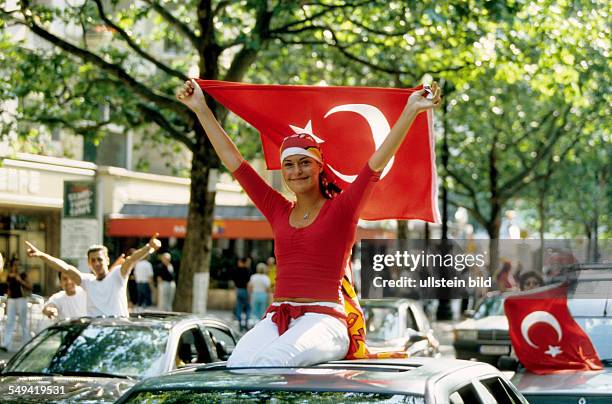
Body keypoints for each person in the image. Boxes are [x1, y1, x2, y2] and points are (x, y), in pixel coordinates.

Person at [176, 78, 441, 367]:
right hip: (277, 318)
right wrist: (200, 107)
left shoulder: (342, 208)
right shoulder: (277, 209)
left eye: (305, 162)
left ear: (319, 167)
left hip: (326, 321)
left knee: (272, 361)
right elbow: (234, 161)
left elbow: (376, 162)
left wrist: (411, 110)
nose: (296, 171)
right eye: (288, 164)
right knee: (237, 365)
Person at [25, 234, 161, 317]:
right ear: (89, 263)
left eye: (100, 259)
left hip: (117, 330)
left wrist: (149, 247)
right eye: (93, 260)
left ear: (107, 260)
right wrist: (41, 255)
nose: (96, 263)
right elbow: (64, 267)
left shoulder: (117, 274)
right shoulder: (87, 281)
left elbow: (131, 260)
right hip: (94, 332)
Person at [0, 258, 32, 352]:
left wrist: (20, 280)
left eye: (18, 265)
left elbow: (30, 287)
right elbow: (9, 288)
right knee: (9, 322)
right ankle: (6, 344)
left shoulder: (23, 275)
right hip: (12, 300)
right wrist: (7, 300)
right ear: (12, 266)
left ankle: (26, 344)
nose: (16, 267)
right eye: (15, 265)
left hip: (21, 299)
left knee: (23, 322)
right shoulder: (9, 276)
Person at [230, 257, 252, 331]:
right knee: (248, 308)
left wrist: (236, 288)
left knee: (239, 307)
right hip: (245, 290)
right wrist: (249, 293)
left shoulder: (236, 270)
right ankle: (246, 323)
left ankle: (240, 323)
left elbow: (233, 281)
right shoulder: (247, 270)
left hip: (238, 290)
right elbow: (248, 283)